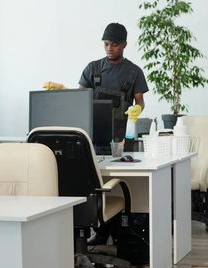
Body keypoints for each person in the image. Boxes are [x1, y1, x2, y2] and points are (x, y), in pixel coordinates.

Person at [79, 22, 149, 246]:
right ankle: (100, 230)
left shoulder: (134, 72)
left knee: (120, 181)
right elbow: (79, 99)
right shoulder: (92, 69)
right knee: (95, 182)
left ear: (124, 45)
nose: (109, 48)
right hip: (92, 139)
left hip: (121, 140)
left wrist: (137, 110)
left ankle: (120, 232)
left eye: (114, 44)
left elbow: (140, 102)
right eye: (106, 44)